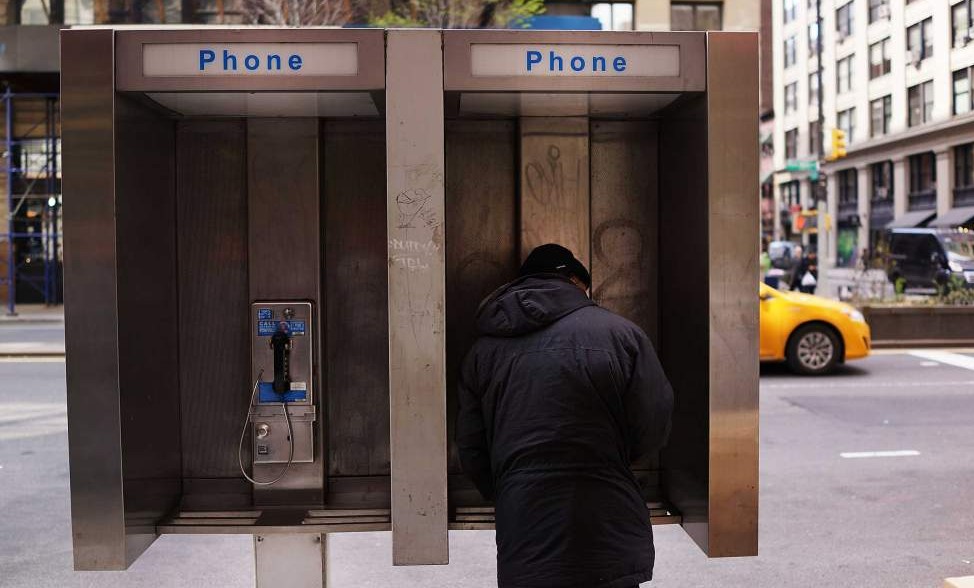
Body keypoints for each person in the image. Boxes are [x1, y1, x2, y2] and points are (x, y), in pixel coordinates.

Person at [456, 243, 674, 588]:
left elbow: (470, 444)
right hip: (606, 503)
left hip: (524, 512)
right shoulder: (622, 334)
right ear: (575, 282)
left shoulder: (483, 351)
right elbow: (653, 422)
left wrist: (509, 487)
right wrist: (612, 461)